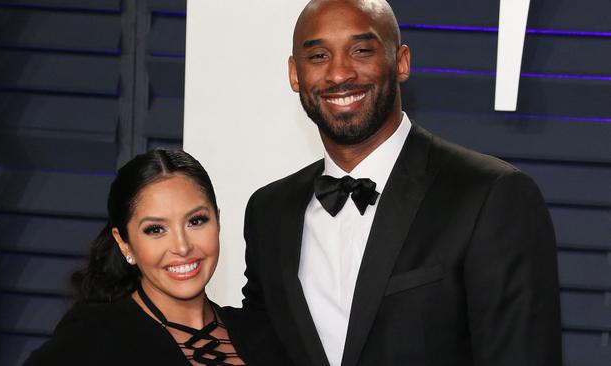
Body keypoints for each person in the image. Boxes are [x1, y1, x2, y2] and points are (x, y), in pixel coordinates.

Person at [241, 1, 562, 366]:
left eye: (361, 50)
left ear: (401, 62)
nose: (339, 73)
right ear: (295, 74)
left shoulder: (490, 196)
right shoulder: (269, 212)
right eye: (318, 56)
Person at [26, 149, 290, 366]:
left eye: (196, 221)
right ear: (124, 243)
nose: (182, 246)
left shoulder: (262, 331)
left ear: (217, 221)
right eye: (156, 229)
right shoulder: (95, 336)